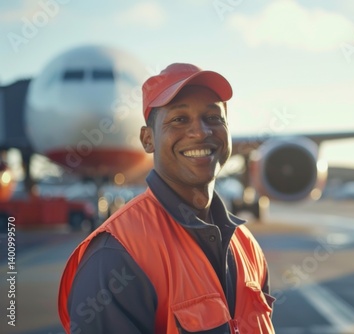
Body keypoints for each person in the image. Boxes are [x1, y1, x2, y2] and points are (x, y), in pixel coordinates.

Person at [58, 63, 275, 333]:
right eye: (179, 119)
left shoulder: (247, 246)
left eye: (213, 117)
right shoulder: (115, 258)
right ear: (147, 139)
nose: (201, 132)